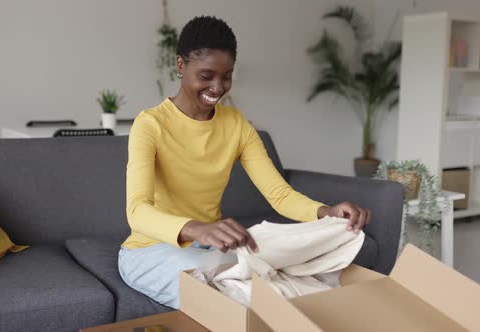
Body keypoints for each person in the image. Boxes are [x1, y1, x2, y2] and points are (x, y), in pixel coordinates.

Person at [118, 15, 371, 309]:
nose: (217, 87)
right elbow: (137, 211)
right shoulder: (149, 124)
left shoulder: (237, 126)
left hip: (211, 247)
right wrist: (198, 228)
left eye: (226, 76)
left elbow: (279, 194)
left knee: (274, 278)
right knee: (230, 292)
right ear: (180, 65)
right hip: (149, 250)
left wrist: (326, 212)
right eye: (206, 76)